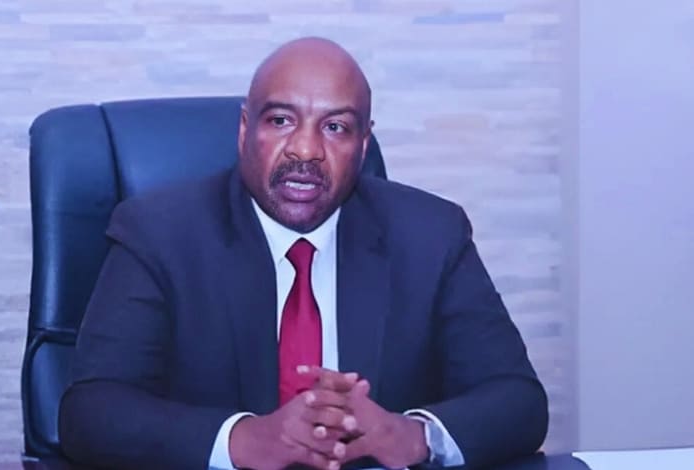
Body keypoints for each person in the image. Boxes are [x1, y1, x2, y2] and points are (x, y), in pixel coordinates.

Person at [58, 37, 548, 470]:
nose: (306, 150)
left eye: (335, 127)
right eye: (281, 120)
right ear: (245, 130)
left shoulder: (431, 235)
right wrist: (244, 439)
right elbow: (92, 412)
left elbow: (518, 401)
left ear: (363, 144)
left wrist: (414, 435)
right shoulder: (159, 234)